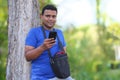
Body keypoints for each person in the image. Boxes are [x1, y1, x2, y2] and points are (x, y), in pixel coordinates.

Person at [25, 4, 74, 80]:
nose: (51, 19)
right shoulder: (34, 32)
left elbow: (64, 54)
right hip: (40, 78)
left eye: (53, 16)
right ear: (41, 16)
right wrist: (42, 47)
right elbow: (27, 56)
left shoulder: (59, 33)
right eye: (48, 16)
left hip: (60, 76)